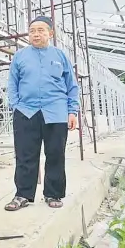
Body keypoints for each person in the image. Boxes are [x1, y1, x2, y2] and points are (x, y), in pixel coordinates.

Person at [5, 16, 79, 211]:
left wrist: (72, 111)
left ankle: (53, 193)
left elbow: (72, 86)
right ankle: (23, 195)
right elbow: (12, 83)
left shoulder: (60, 56)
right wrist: (16, 105)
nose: (35, 34)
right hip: (26, 112)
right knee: (25, 155)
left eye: (40, 30)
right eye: (32, 31)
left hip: (56, 111)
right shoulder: (20, 57)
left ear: (50, 33)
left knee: (55, 153)